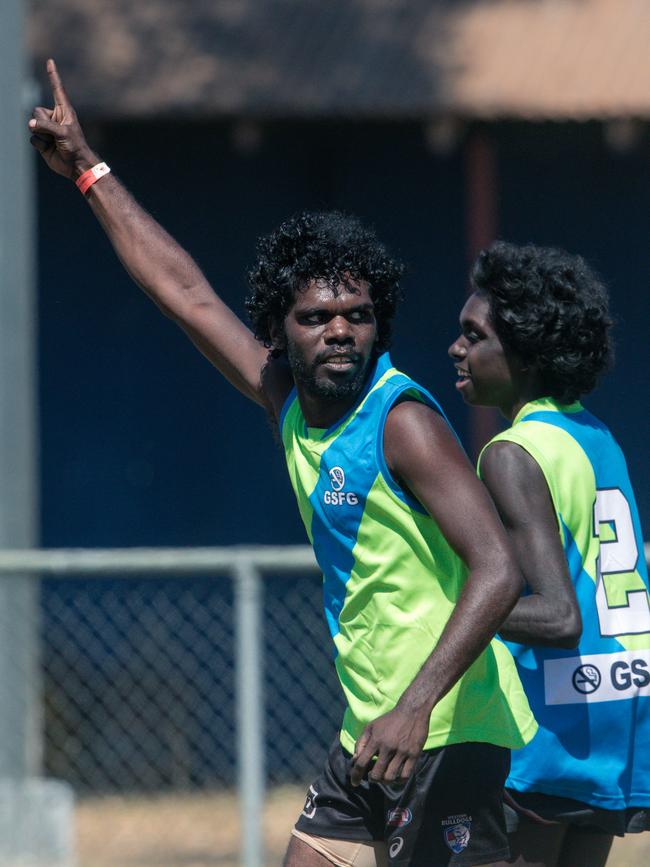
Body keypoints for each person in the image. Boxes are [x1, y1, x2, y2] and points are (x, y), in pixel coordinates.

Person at [29, 60, 537, 867]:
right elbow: (187, 295)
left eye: (358, 315)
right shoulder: (289, 400)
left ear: (380, 324)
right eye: (317, 317)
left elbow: (500, 568)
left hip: (448, 732)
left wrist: (412, 709)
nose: (341, 331)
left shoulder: (401, 423)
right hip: (371, 734)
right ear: (281, 329)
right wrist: (90, 173)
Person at [448, 241, 650, 867]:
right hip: (618, 710)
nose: (457, 349)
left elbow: (559, 617)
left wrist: (448, 610)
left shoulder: (513, 452)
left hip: (549, 724)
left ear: (527, 354)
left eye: (473, 335)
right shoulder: (596, 435)